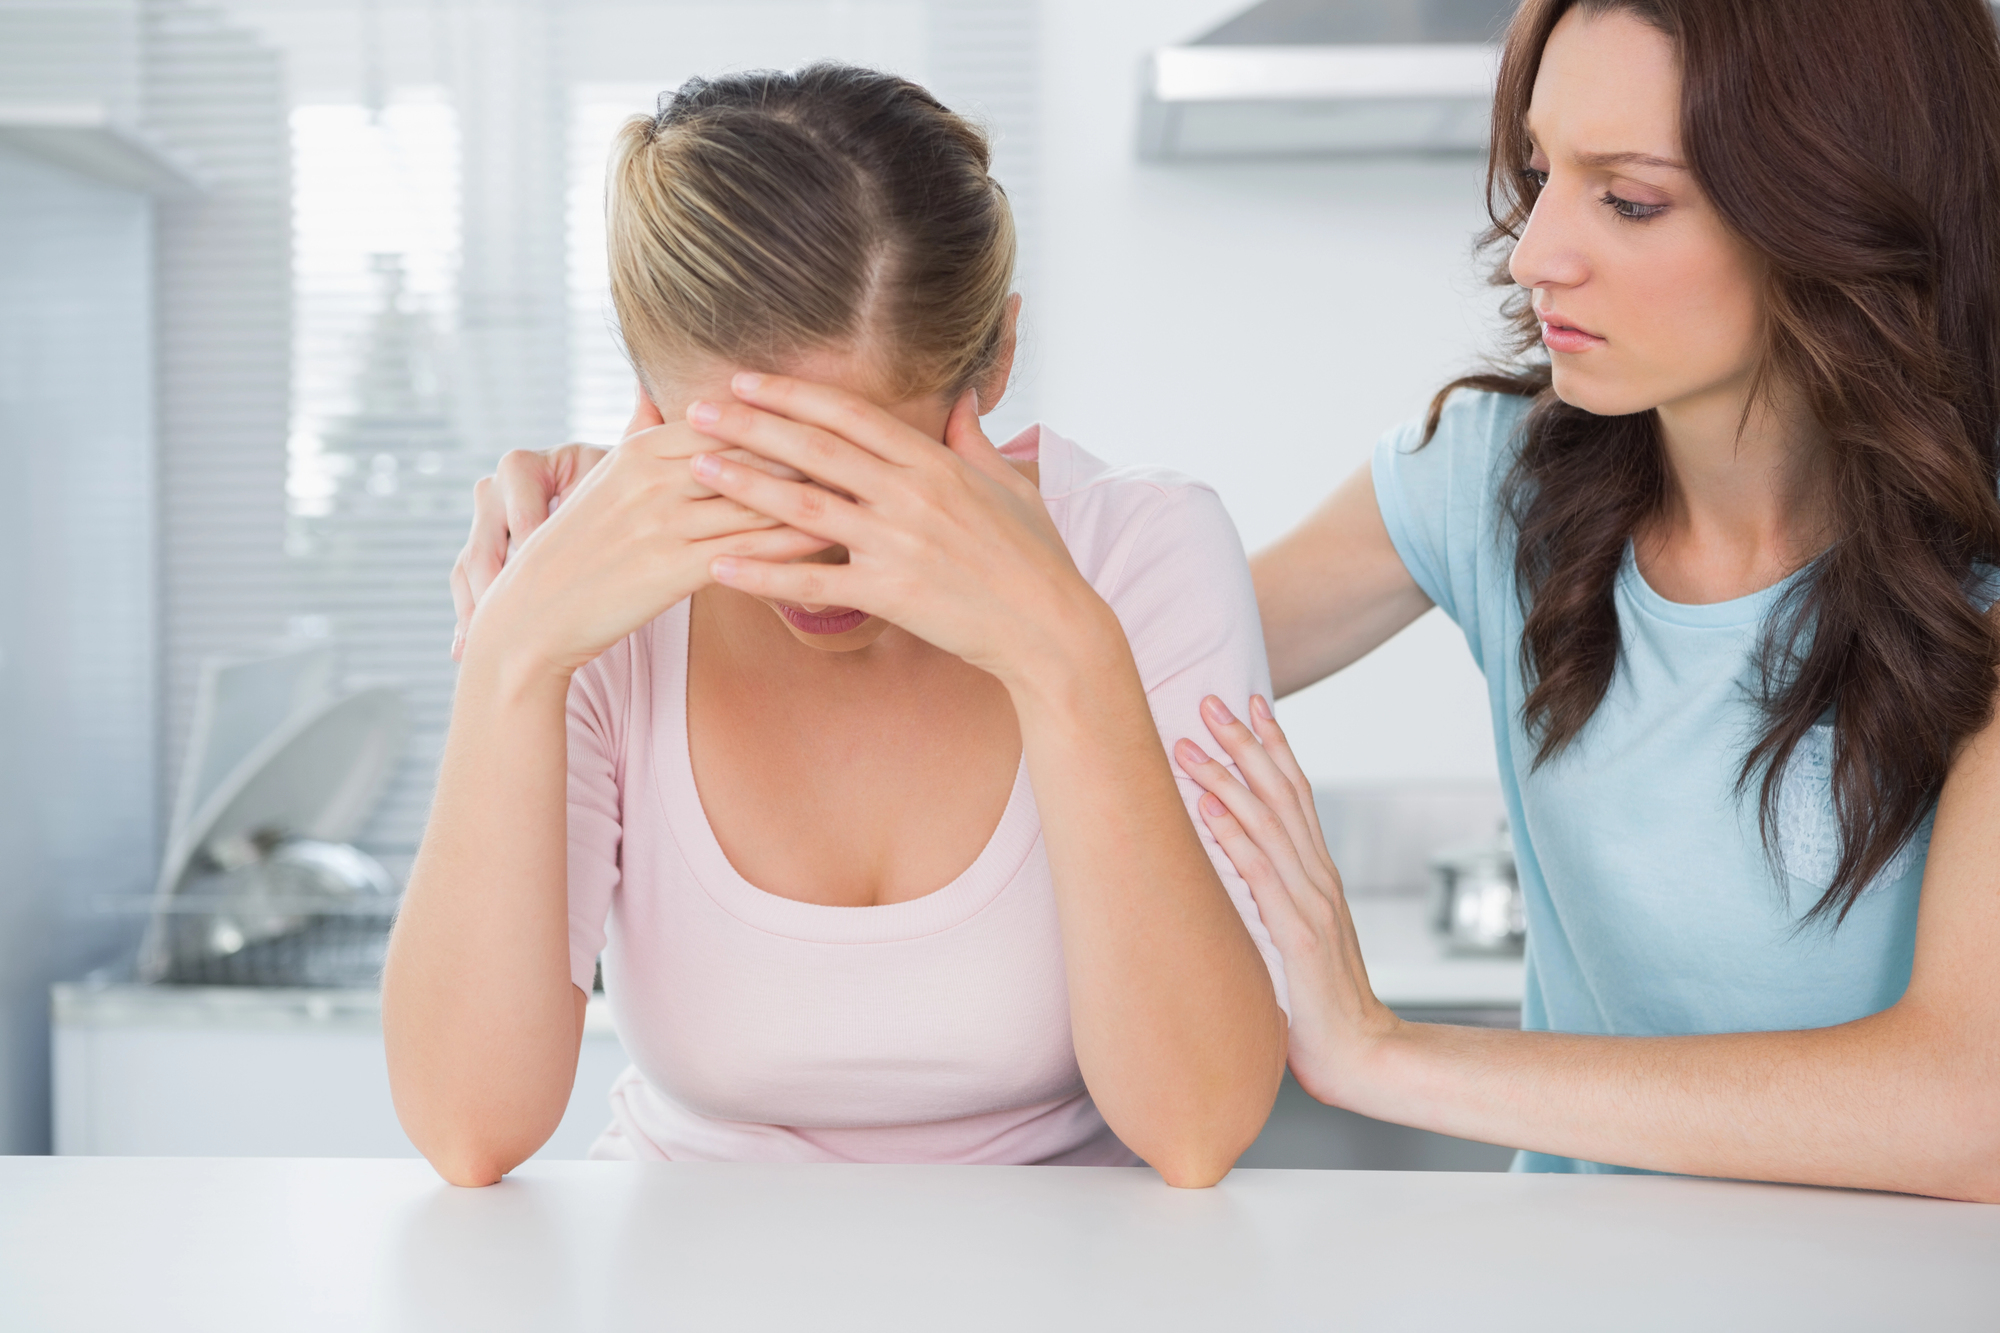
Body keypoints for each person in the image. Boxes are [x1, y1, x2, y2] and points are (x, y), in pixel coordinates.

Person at [383, 66, 1289, 1189]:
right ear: (651, 402)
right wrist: (517, 656)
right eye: (756, 481)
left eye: (867, 474)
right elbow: (470, 1130)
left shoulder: (1137, 553)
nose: (814, 554)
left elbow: (1196, 1127)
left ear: (996, 359)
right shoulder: (594, 596)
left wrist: (1062, 652)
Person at [1176, 0, 2000, 1200]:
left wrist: (1383, 1052)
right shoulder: (1494, 478)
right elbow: (1142, 659)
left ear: (1839, 207)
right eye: (1537, 174)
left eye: (1627, 199)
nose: (1531, 252)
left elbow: (1968, 1108)